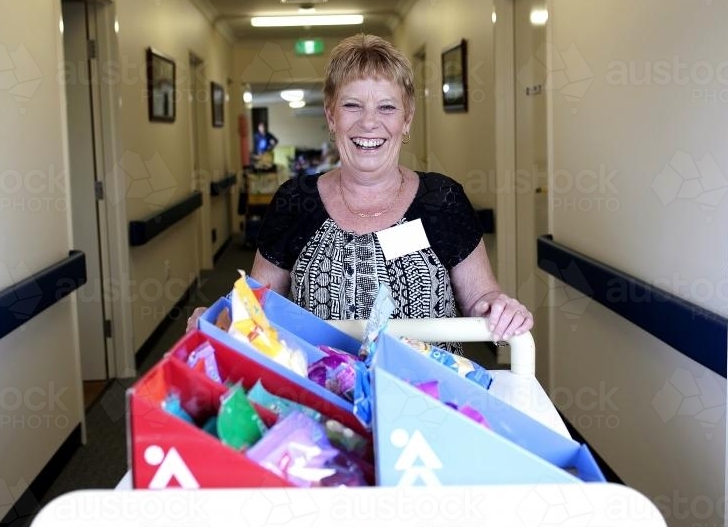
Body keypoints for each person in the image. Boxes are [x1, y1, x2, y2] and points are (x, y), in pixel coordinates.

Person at [190, 34, 532, 347]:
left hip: (428, 404)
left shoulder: (442, 200)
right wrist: (220, 319)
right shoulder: (295, 201)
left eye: (387, 107)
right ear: (331, 116)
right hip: (324, 400)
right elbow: (258, 308)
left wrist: (500, 308)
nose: (369, 122)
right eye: (352, 105)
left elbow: (482, 299)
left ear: (407, 118)